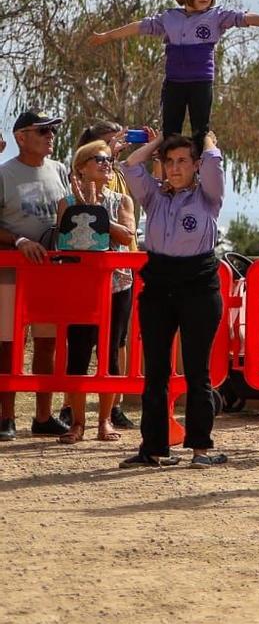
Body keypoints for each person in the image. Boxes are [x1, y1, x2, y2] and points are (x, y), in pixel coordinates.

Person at [121, 128, 230, 468]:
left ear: (196, 165)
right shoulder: (154, 196)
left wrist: (208, 140)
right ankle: (152, 449)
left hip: (198, 284)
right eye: (169, 161)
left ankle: (201, 450)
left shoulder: (208, 197)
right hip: (158, 285)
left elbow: (214, 164)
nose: (175, 167)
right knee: (156, 371)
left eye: (183, 160)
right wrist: (157, 142)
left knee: (198, 371)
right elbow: (129, 165)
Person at [86, 0, 259, 142]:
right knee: (170, 130)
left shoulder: (216, 16)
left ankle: (198, 170)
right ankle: (170, 174)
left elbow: (246, 18)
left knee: (200, 130)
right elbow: (138, 27)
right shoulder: (170, 18)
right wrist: (107, 36)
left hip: (200, 82)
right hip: (175, 82)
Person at [55, 140, 137, 443]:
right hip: (79, 286)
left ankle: (105, 421)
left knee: (111, 352)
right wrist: (82, 208)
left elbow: (127, 235)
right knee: (78, 352)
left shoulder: (122, 200)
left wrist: (97, 210)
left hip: (117, 284)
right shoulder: (66, 201)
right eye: (98, 159)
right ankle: (77, 422)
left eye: (108, 160)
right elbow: (65, 241)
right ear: (81, 167)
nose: (106, 164)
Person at [1, 110, 70, 441]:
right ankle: (5, 417)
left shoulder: (59, 170)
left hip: (50, 272)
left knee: (47, 343)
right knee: (7, 343)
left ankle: (43, 416)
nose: (50, 136)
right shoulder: (4, 174)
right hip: (10, 271)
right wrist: (19, 240)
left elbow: (69, 216)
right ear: (21, 137)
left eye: (52, 131)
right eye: (42, 131)